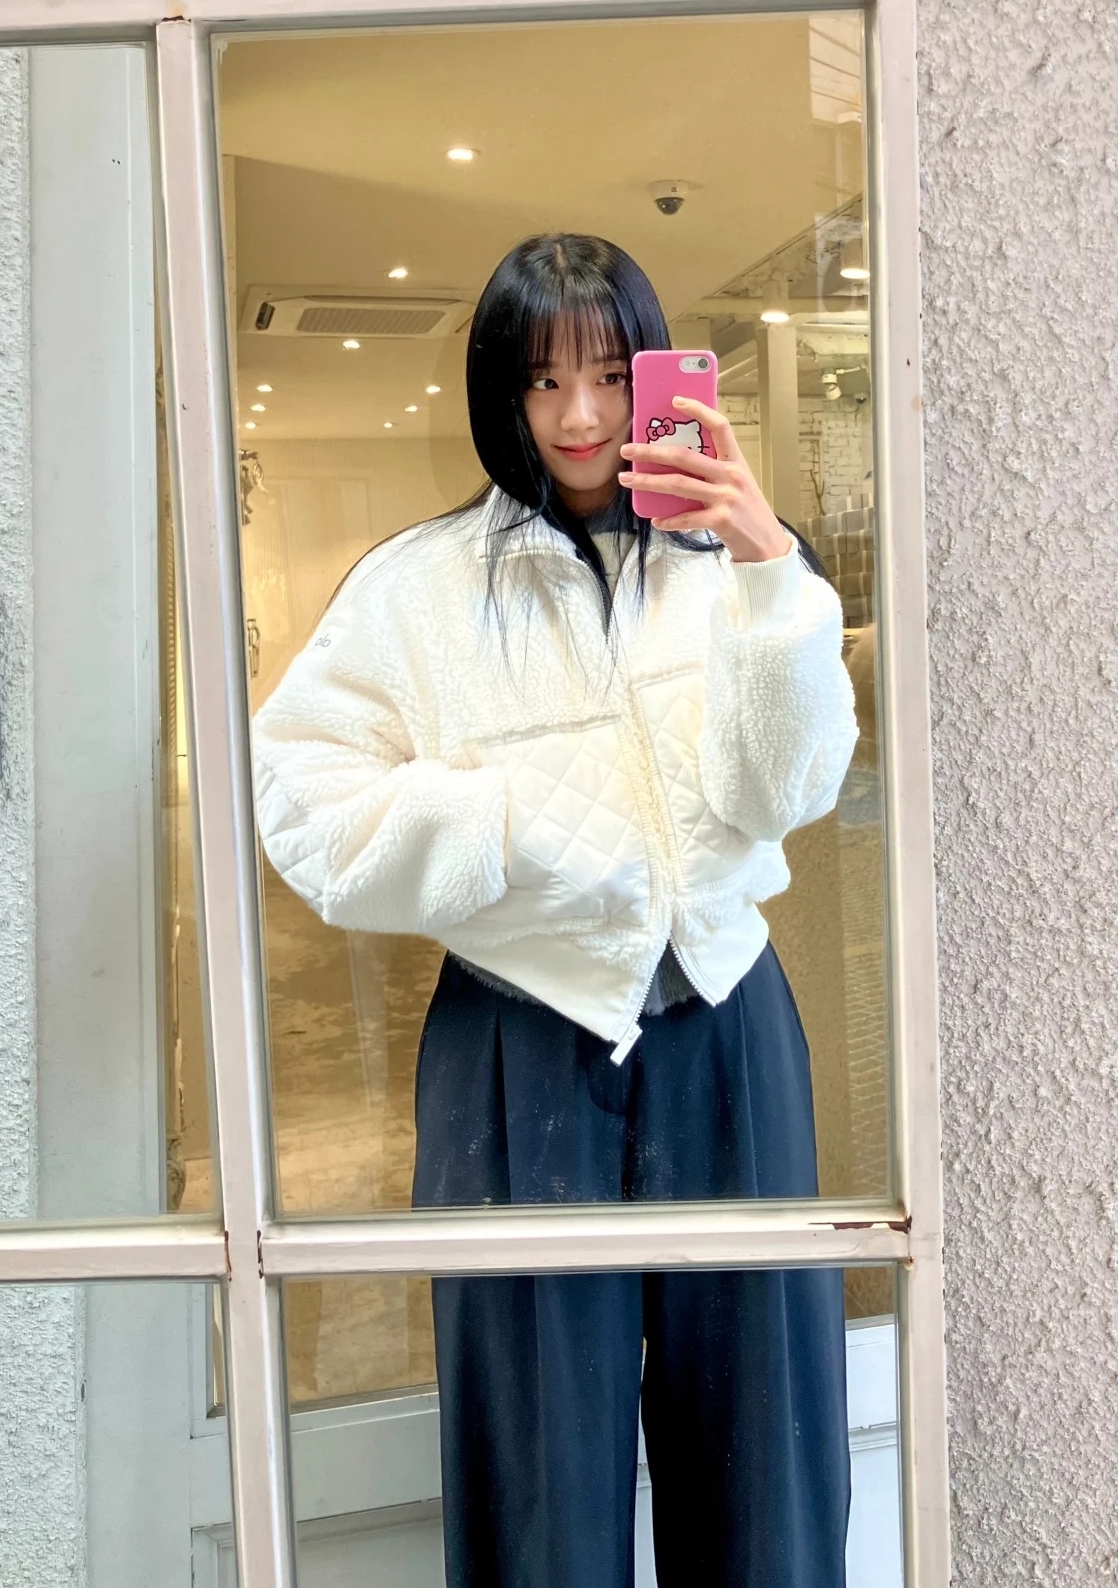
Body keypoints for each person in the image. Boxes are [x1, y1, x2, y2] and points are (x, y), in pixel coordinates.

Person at [251, 234, 858, 1588]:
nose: (579, 416)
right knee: (539, 1465)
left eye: (607, 375)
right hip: (517, 1043)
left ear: (656, 376)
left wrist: (770, 562)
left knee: (768, 1443)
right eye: (541, 380)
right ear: (500, 393)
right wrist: (499, 830)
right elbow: (298, 799)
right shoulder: (420, 585)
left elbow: (794, 790)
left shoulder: (731, 565)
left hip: (728, 1020)